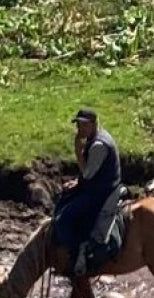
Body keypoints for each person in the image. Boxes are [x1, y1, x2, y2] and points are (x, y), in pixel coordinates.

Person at [50, 108, 123, 270]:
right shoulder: (97, 138)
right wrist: (78, 181)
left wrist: (78, 152)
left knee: (63, 220)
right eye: (78, 125)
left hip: (102, 192)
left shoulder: (98, 145)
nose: (79, 129)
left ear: (93, 124)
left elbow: (89, 174)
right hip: (99, 185)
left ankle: (78, 253)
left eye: (83, 125)